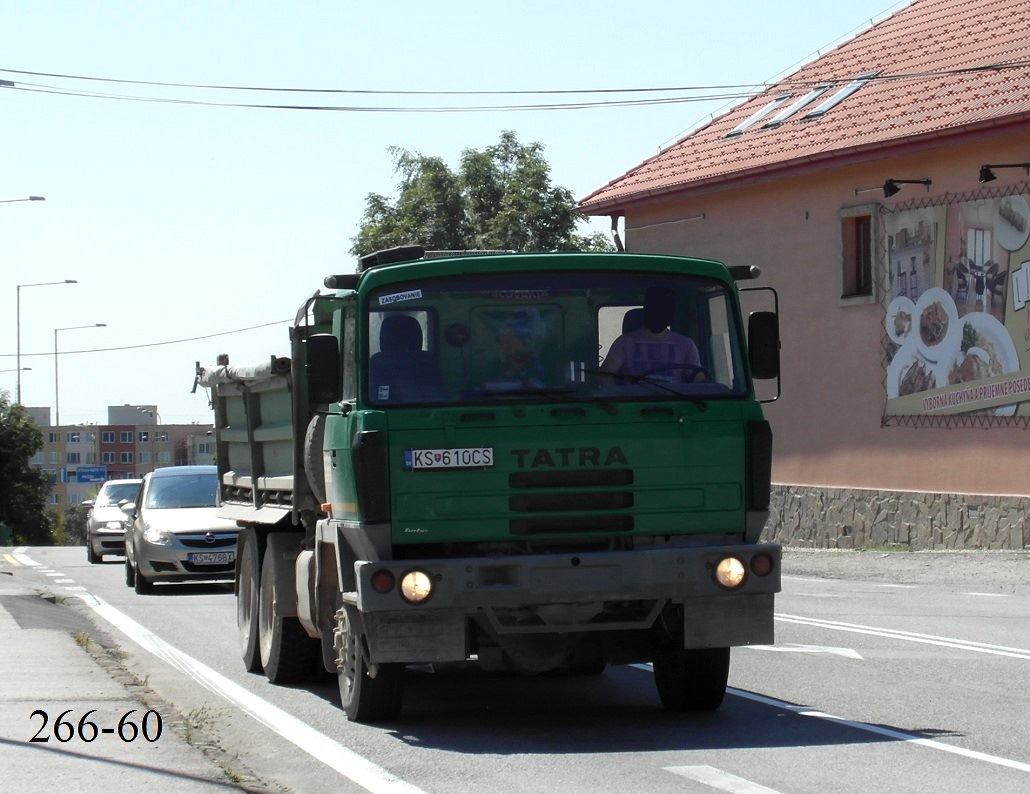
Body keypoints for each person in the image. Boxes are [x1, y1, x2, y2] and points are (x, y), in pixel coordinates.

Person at [600, 287, 701, 382]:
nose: (658, 313)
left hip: (676, 400)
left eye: (663, 309)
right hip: (636, 400)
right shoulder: (624, 343)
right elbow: (604, 378)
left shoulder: (686, 345)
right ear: (647, 310)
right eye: (654, 307)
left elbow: (699, 382)